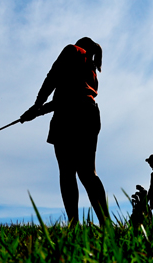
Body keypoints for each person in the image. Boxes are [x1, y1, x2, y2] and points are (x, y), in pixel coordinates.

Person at [20, 37, 108, 226]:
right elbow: (69, 97)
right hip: (89, 114)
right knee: (88, 172)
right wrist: (37, 112)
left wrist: (37, 105)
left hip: (68, 116)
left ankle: (74, 224)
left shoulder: (72, 50)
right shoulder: (92, 70)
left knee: (67, 172)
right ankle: (106, 224)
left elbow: (52, 77)